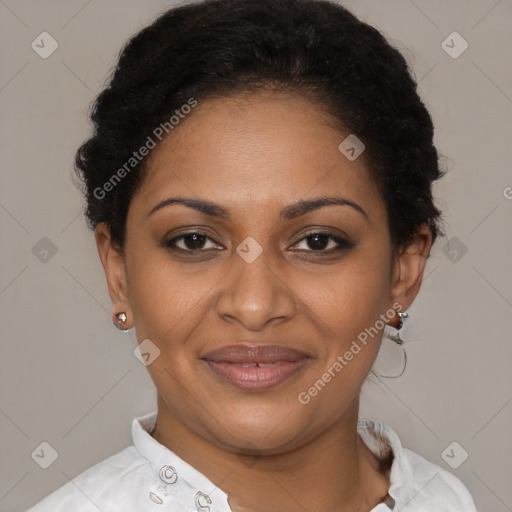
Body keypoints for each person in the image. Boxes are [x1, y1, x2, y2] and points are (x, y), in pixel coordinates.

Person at [27, 0, 478, 510]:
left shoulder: (446, 500)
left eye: (317, 241)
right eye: (194, 240)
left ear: (403, 271)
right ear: (118, 273)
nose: (255, 306)